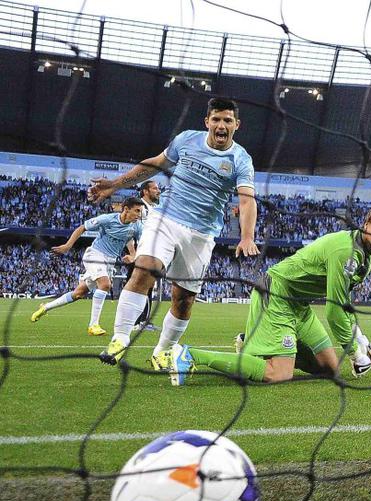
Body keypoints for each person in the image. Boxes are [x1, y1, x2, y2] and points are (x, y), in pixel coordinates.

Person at [87, 98, 259, 370]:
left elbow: (247, 200)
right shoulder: (187, 139)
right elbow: (154, 165)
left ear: (236, 125)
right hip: (165, 218)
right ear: (207, 122)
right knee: (146, 268)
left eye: (227, 120)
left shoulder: (240, 159)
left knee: (183, 299)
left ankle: (163, 351)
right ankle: (120, 338)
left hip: (201, 234)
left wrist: (247, 236)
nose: (221, 125)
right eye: (216, 119)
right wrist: (115, 185)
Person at [168, 203, 371, 385]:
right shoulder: (345, 251)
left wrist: (361, 338)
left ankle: (255, 344)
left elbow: (344, 300)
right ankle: (189, 355)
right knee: (279, 374)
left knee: (329, 368)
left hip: (299, 305)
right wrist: (355, 353)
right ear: (366, 223)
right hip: (277, 293)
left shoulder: (369, 253)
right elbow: (334, 311)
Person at [31, 199, 144, 334]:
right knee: (105, 284)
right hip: (95, 254)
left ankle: (45, 307)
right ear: (126, 209)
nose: (139, 215)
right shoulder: (107, 219)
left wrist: (133, 256)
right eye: (137, 211)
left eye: (140, 212)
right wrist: (67, 246)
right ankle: (93, 325)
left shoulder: (136, 226)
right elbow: (82, 227)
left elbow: (134, 240)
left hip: (110, 261)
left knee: (79, 293)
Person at [131, 180, 162, 332]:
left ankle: (144, 321)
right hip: (140, 251)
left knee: (148, 286)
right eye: (155, 188)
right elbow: (131, 228)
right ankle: (136, 322)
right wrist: (132, 252)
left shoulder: (154, 208)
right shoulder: (139, 207)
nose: (158, 191)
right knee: (138, 286)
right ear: (145, 191)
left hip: (151, 251)